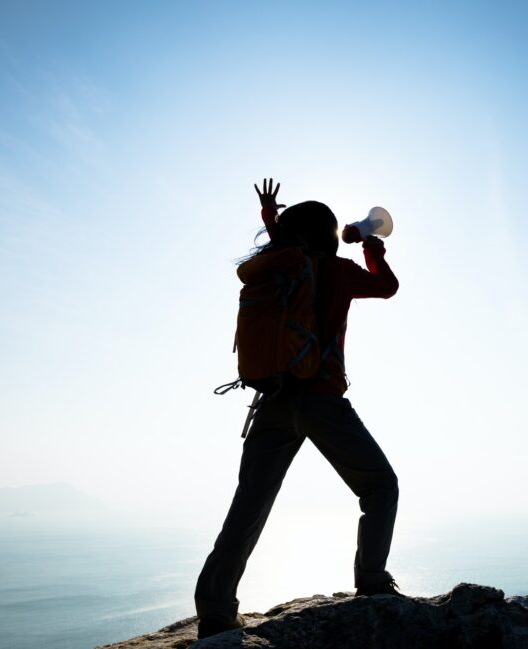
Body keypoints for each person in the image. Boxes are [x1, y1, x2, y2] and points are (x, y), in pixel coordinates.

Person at [194, 178, 401, 640]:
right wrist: (370, 244)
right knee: (380, 487)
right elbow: (387, 287)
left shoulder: (278, 266)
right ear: (329, 235)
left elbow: (290, 245)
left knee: (249, 506)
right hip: (322, 398)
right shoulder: (335, 269)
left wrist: (271, 220)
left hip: (271, 401)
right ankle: (371, 580)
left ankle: (214, 610)